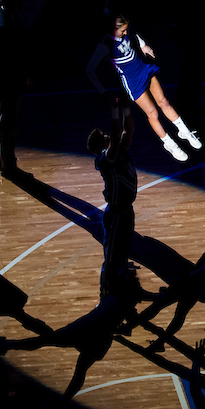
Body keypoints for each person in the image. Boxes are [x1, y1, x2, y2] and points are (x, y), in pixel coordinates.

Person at [0, 266, 144, 399]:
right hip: (101, 341)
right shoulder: (128, 299)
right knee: (79, 369)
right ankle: (65, 400)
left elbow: (89, 319)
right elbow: (130, 324)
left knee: (47, 339)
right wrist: (120, 328)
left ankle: (6, 344)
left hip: (87, 333)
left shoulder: (112, 300)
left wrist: (70, 328)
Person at [136, 206, 205, 353]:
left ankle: (131, 327)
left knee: (163, 303)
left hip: (196, 281)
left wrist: (188, 277)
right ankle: (158, 342)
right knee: (178, 312)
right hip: (201, 281)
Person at [109, 14, 202, 161]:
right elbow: (90, 68)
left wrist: (142, 45)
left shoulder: (126, 31)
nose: (126, 33)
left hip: (144, 69)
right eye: (123, 31)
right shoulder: (106, 45)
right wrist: (101, 90)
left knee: (163, 102)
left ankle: (184, 131)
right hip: (133, 82)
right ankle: (169, 144)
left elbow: (132, 32)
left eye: (126, 30)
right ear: (113, 29)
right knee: (152, 113)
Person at [87, 96, 138, 290]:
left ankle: (121, 283)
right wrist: (114, 110)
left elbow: (129, 130)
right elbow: (116, 138)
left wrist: (126, 109)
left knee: (123, 251)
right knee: (111, 255)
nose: (108, 134)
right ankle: (106, 288)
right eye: (104, 135)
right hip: (116, 213)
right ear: (101, 143)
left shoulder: (119, 150)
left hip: (126, 211)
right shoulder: (105, 159)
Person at [0, 0, 32, 179]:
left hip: (6, 79)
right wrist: (23, 77)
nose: (21, 2)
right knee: (7, 121)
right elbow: (10, 60)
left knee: (3, 118)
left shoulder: (4, 17)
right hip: (7, 81)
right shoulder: (4, 26)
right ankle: (8, 165)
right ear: (11, 2)